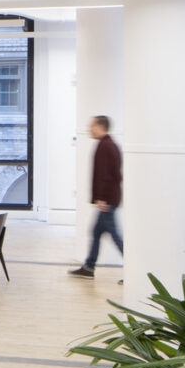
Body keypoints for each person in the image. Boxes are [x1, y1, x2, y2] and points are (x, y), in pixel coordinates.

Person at [71, 115, 122, 278]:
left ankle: (134, 271)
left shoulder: (104, 146)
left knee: (115, 236)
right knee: (96, 232)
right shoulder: (110, 144)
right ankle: (89, 266)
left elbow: (105, 175)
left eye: (92, 125)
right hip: (110, 199)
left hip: (107, 201)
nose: (89, 129)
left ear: (101, 126)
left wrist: (102, 198)